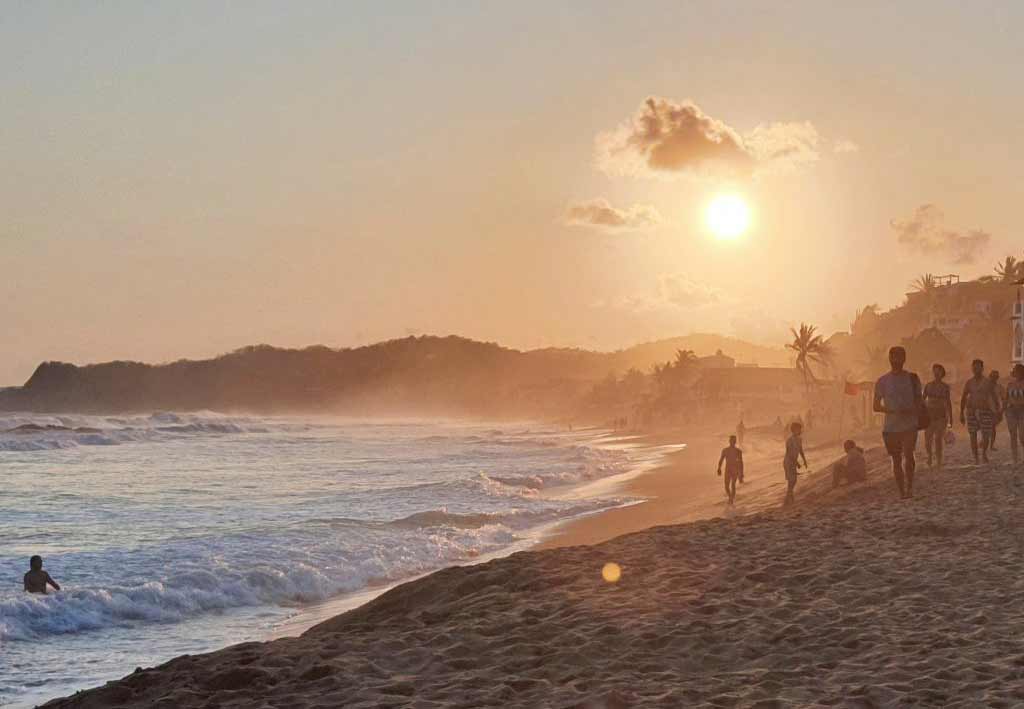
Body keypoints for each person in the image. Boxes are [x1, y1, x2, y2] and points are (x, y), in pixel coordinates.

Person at [873, 346, 922, 499]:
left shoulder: (912, 378)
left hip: (909, 424)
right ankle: (902, 491)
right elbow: (876, 406)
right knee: (896, 460)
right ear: (890, 359)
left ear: (904, 359)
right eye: (894, 357)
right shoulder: (882, 381)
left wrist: (911, 409)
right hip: (891, 426)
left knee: (909, 455)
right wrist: (891, 410)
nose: (896, 360)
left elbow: (920, 401)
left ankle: (909, 487)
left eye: (899, 357)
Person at [960, 359, 1000, 464]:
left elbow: (994, 397)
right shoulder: (969, 382)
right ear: (972, 368)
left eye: (978, 367)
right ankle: (976, 457)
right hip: (971, 411)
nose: (975, 369)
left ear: (982, 368)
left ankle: (984, 454)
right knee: (972, 435)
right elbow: (964, 397)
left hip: (985, 411)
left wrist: (997, 411)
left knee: (986, 434)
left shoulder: (987, 382)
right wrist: (961, 413)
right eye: (974, 367)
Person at [923, 363, 954, 469]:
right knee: (927, 439)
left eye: (938, 371)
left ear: (942, 373)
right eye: (935, 371)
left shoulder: (945, 387)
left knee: (938, 439)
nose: (936, 373)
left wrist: (950, 417)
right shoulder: (928, 386)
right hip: (929, 416)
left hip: (941, 416)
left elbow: (948, 402)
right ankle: (930, 456)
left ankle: (939, 460)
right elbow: (922, 400)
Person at [783, 421, 807, 506]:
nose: (800, 430)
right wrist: (797, 463)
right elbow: (789, 453)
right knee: (791, 480)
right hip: (788, 462)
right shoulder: (790, 440)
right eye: (799, 429)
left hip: (793, 462)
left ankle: (789, 497)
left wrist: (804, 460)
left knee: (793, 480)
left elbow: (800, 450)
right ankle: (788, 498)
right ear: (794, 430)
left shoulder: (799, 439)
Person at [1005, 364, 1024, 465]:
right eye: (1015, 371)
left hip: (1022, 411)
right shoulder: (1010, 384)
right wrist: (1002, 411)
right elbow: (1006, 399)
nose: (1017, 373)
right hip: (1011, 412)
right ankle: (1015, 458)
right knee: (1013, 435)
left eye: (1019, 371)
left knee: (1022, 435)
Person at [717, 435, 744, 504]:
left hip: (735, 469)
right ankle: (730, 497)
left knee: (733, 485)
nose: (732, 442)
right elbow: (721, 460)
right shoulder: (725, 450)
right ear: (729, 441)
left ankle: (731, 499)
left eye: (733, 441)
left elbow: (741, 462)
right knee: (726, 486)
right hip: (728, 469)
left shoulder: (738, 451)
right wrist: (719, 468)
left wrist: (741, 473)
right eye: (731, 441)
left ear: (735, 442)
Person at [988, 370, 1005, 451]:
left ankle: (991, 445)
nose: (993, 378)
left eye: (995, 377)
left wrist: (1001, 411)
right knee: (988, 427)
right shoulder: (985, 386)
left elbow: (1004, 398)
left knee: (992, 427)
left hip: (995, 410)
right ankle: (987, 443)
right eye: (992, 376)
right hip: (986, 410)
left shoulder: (999, 387)